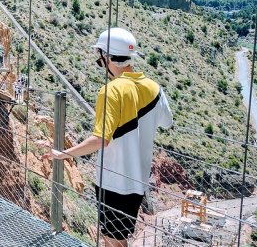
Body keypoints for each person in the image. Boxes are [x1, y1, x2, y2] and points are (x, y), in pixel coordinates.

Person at [42, 28, 173, 246]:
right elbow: (167, 123)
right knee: (119, 240)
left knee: (112, 242)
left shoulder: (111, 91)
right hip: (138, 182)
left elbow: (99, 139)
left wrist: (63, 153)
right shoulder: (154, 89)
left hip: (113, 182)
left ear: (107, 57)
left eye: (100, 58)